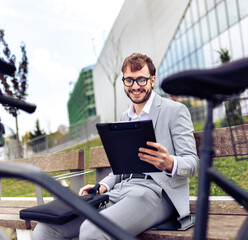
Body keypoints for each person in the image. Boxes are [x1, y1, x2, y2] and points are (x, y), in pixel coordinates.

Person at [33, 53, 199, 239]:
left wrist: (169, 163)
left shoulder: (175, 111)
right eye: (129, 80)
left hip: (158, 194)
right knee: (45, 229)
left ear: (152, 80)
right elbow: (121, 168)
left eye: (141, 80)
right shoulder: (124, 117)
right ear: (124, 82)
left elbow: (192, 163)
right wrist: (103, 186)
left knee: (93, 231)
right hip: (121, 191)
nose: (135, 86)